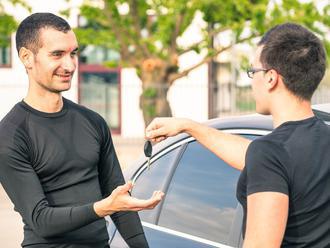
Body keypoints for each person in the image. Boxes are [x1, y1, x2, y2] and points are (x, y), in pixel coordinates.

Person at [146, 23, 329, 247]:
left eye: (253, 72)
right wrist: (190, 127)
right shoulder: (312, 141)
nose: (252, 81)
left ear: (271, 78)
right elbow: (261, 158)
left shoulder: (271, 153)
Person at [0, 13, 164, 248]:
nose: (69, 65)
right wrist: (104, 207)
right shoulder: (11, 135)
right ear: (27, 57)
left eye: (73, 53)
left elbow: (120, 202)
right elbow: (41, 220)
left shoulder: (93, 122)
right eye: (57, 54)